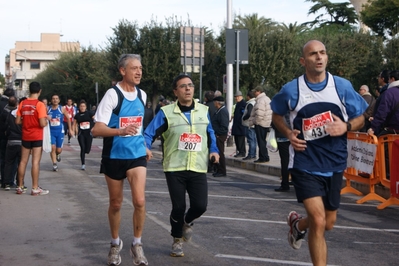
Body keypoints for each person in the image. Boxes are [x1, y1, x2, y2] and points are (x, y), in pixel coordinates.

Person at [271, 40, 367, 266]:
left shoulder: (341, 86)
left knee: (328, 223)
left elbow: (361, 117)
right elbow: (276, 115)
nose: (319, 57)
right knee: (319, 218)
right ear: (303, 61)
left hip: (334, 163)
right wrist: (288, 133)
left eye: (322, 53)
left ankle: (297, 225)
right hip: (305, 162)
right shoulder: (292, 89)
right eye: (313, 54)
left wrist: (347, 127)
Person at [144, 74, 219, 258]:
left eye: (190, 85)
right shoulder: (166, 112)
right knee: (178, 206)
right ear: (175, 91)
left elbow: (210, 134)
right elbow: (148, 133)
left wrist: (214, 150)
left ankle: (187, 222)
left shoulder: (203, 110)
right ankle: (177, 240)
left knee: (200, 206)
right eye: (183, 86)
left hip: (198, 166)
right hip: (174, 167)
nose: (188, 89)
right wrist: (146, 148)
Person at [91, 54, 151, 266]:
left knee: (140, 201)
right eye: (134, 68)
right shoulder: (112, 95)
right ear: (122, 71)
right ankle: (115, 243)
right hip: (114, 156)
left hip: (136, 156)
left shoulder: (142, 95)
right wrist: (120, 131)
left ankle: (137, 244)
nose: (139, 72)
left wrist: (144, 145)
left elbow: (138, 126)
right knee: (116, 203)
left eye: (140, 68)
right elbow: (96, 129)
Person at [15, 82, 50, 195]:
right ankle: (35, 188)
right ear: (40, 91)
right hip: (36, 136)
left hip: (25, 135)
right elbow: (42, 123)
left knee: (23, 161)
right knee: (35, 162)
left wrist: (26, 121)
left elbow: (17, 121)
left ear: (29, 91)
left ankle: (20, 186)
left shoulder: (23, 103)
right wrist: (46, 120)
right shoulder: (40, 105)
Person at [47, 94, 74, 171]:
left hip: (59, 132)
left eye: (56, 98)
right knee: (52, 148)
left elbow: (68, 118)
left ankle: (58, 154)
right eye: (53, 98)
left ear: (59, 100)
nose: (55, 100)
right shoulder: (48, 109)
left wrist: (70, 129)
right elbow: (42, 117)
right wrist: (46, 117)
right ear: (51, 100)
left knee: (58, 150)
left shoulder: (61, 109)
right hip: (51, 132)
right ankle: (54, 164)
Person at [248, 86, 272, 163]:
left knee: (260, 141)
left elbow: (259, 113)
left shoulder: (260, 100)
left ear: (259, 91)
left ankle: (262, 157)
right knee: (263, 140)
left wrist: (256, 122)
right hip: (266, 122)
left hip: (261, 123)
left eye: (255, 92)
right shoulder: (267, 98)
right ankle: (265, 156)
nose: (254, 93)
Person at [1, 96, 20, 190]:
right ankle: (19, 183)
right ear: (17, 103)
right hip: (21, 141)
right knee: (21, 163)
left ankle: (6, 183)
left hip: (10, 140)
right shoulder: (21, 114)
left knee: (8, 162)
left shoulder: (7, 113)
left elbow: (5, 127)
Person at [72, 101, 95, 170]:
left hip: (89, 133)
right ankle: (83, 164)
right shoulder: (77, 115)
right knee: (82, 148)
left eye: (83, 106)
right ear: (79, 107)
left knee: (87, 150)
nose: (82, 107)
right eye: (81, 106)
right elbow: (74, 124)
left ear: (86, 107)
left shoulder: (90, 113)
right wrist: (73, 131)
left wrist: (94, 127)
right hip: (81, 133)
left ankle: (86, 151)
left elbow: (96, 120)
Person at [0, 88, 15, 186]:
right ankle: (7, 180)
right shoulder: (10, 106)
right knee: (9, 159)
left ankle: (2, 179)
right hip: (8, 135)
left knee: (2, 158)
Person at [211, 96, 229, 177]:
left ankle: (222, 170)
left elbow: (224, 125)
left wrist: (218, 134)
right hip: (216, 134)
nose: (214, 104)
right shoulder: (218, 110)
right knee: (217, 152)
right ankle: (217, 169)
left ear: (217, 102)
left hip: (220, 135)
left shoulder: (223, 111)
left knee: (220, 153)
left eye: (214, 102)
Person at [273, 113, 291, 192]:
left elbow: (274, 122)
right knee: (293, 160)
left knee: (285, 161)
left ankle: (285, 184)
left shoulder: (279, 110)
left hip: (282, 137)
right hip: (293, 137)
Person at [241, 90, 257, 160]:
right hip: (253, 123)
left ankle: (251, 154)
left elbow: (249, 113)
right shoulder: (255, 102)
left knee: (250, 140)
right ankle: (253, 154)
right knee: (254, 139)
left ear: (248, 97)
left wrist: (244, 118)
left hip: (249, 124)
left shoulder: (250, 104)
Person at [231, 91, 247, 157]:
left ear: (241, 96)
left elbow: (243, 113)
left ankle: (242, 152)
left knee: (240, 140)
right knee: (237, 139)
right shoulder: (238, 104)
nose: (236, 98)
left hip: (240, 125)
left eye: (237, 97)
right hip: (236, 125)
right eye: (235, 97)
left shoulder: (243, 104)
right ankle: (239, 151)